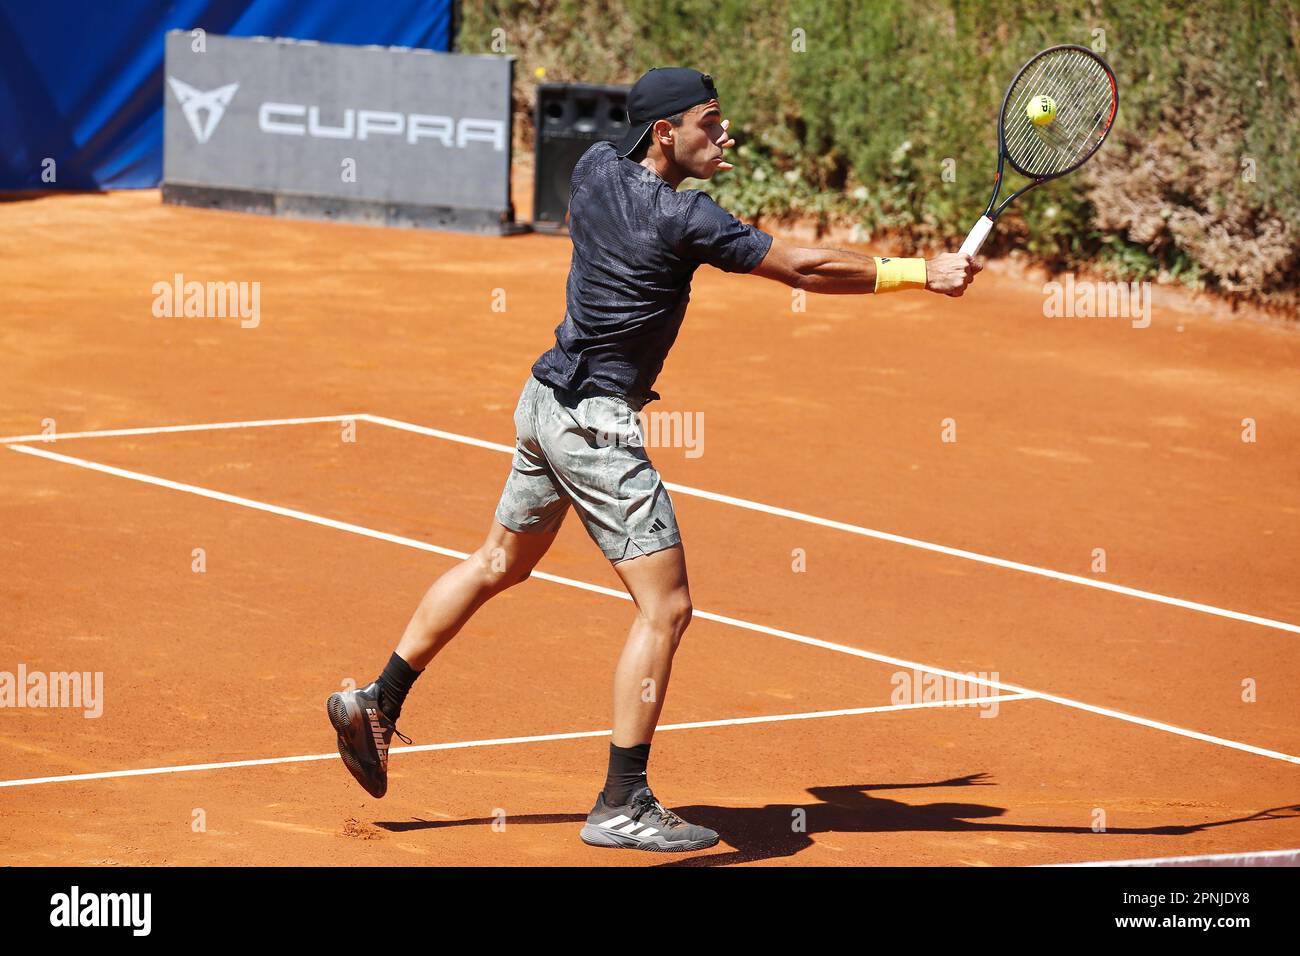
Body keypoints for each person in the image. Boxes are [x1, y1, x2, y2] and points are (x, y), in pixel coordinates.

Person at [327, 66, 979, 853]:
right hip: (597, 428)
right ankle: (621, 801)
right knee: (665, 608)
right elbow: (803, 269)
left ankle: (377, 699)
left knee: (500, 560)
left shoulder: (595, 168)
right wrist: (920, 272)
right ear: (666, 132)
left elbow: (664, 183)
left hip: (543, 402)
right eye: (711, 122)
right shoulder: (687, 221)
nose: (725, 134)